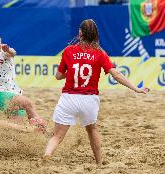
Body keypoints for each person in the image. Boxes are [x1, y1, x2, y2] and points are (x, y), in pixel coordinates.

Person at [43, 19, 149, 165]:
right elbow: (116, 75)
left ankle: (47, 155)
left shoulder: (68, 51)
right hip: (89, 100)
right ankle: (99, 162)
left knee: (57, 136)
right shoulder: (99, 53)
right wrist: (136, 88)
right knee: (92, 131)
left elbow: (58, 76)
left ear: (80, 33)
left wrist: (72, 73)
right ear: (95, 34)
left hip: (69, 98)